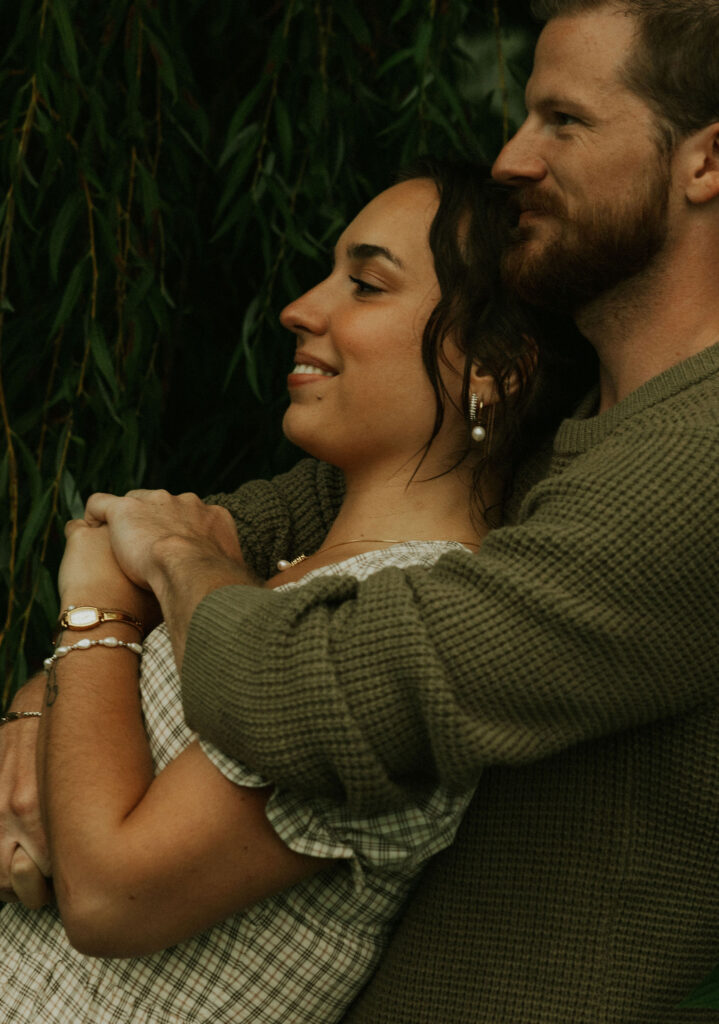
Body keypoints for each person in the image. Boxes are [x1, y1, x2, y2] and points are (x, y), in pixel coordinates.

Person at [17, 1, 714, 1022]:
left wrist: (125, 597)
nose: (512, 157)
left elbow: (304, 686)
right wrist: (37, 707)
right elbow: (253, 519)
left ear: (706, 161)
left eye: (561, 121)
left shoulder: (694, 468)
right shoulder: (558, 427)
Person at [0, 161, 582, 1022]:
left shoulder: (416, 626)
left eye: (366, 284)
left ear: (491, 370)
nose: (301, 308)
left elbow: (112, 897)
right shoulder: (266, 577)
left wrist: (97, 618)